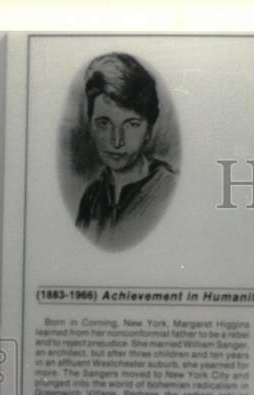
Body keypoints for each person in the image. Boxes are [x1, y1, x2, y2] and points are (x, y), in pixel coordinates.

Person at [75, 52, 177, 249]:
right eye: (104, 123)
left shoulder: (167, 190)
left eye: (131, 124)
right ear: (91, 124)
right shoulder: (92, 196)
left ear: (149, 129)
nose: (117, 141)